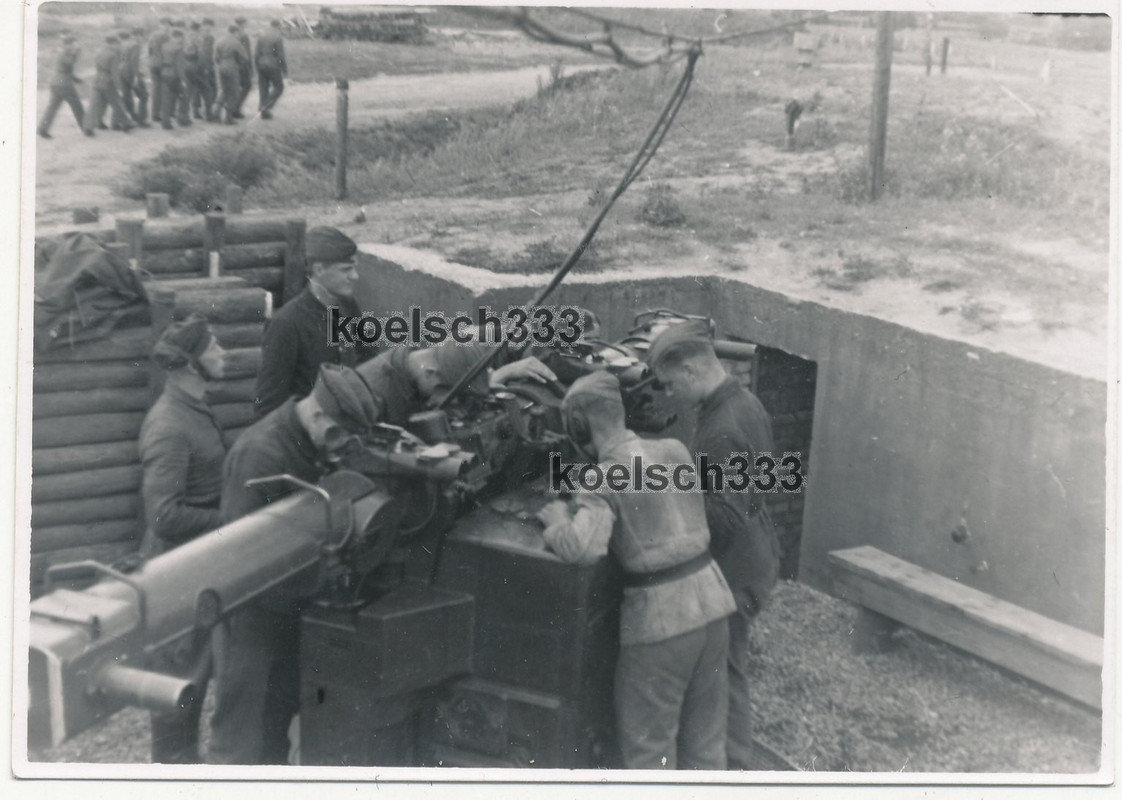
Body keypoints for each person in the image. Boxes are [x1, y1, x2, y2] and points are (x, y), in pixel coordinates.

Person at [537, 372, 736, 769]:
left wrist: (558, 520)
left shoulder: (602, 478)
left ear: (578, 424)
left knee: (650, 758)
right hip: (714, 611)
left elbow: (583, 548)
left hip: (662, 626)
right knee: (706, 749)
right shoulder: (675, 450)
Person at [207, 364, 380, 765]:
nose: (340, 449)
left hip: (287, 609)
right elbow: (238, 561)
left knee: (276, 723)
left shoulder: (308, 438)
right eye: (339, 436)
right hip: (248, 616)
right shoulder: (261, 455)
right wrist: (320, 577)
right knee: (237, 736)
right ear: (318, 415)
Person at [646, 324, 781, 771]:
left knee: (724, 672)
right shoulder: (744, 402)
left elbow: (723, 518)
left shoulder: (721, 429)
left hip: (734, 569)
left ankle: (734, 767)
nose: (669, 395)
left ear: (689, 369)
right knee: (728, 669)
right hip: (756, 554)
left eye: (669, 384)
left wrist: (671, 495)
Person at [137, 315, 228, 762]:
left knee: (192, 685)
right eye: (215, 348)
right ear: (193, 365)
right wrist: (228, 519)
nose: (224, 354)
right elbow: (163, 514)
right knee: (175, 700)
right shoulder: (169, 425)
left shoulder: (192, 407)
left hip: (195, 569)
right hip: (174, 577)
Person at [254, 227, 380, 418]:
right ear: (319, 270)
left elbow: (369, 358)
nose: (355, 276)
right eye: (346, 269)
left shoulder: (346, 306)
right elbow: (268, 406)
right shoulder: (287, 323)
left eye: (354, 268)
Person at [82, 35, 134, 137]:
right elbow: (115, 74)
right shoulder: (113, 55)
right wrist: (119, 88)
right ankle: (126, 123)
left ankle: (88, 128)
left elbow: (97, 67)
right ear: (112, 43)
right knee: (117, 103)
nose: (117, 46)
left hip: (97, 81)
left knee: (93, 106)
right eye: (116, 43)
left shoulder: (99, 52)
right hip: (108, 82)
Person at [37, 34, 84, 139]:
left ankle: (42, 129)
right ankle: (87, 129)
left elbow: (65, 69)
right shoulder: (65, 53)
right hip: (64, 85)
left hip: (56, 83)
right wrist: (76, 53)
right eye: (72, 44)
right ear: (67, 44)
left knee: (52, 107)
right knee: (77, 106)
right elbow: (70, 63)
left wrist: (76, 79)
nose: (74, 46)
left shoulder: (62, 52)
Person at [214, 24, 247, 125]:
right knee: (233, 92)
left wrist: (221, 63)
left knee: (223, 90)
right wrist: (239, 65)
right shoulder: (236, 42)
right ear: (235, 32)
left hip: (221, 66)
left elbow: (216, 57)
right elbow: (245, 58)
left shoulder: (219, 41)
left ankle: (216, 113)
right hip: (232, 67)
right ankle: (228, 118)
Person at [254, 19, 287, 119]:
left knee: (263, 88)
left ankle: (264, 112)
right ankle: (265, 106)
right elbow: (280, 56)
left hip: (261, 64)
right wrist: (284, 69)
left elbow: (256, 53)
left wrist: (257, 65)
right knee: (279, 87)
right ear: (278, 26)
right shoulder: (278, 37)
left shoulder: (261, 35)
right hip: (273, 65)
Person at [158, 26, 190, 129]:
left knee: (166, 99)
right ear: (179, 37)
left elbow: (159, 61)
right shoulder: (179, 49)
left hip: (164, 73)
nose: (182, 39)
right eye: (181, 37)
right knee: (184, 96)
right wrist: (184, 80)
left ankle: (165, 122)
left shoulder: (163, 46)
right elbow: (180, 66)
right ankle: (182, 119)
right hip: (175, 75)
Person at [118, 28, 150, 127]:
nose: (142, 38)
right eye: (141, 35)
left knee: (126, 96)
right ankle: (141, 120)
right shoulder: (135, 45)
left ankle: (128, 118)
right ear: (138, 35)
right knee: (143, 95)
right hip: (132, 72)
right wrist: (136, 76)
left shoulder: (123, 43)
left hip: (121, 70)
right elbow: (134, 62)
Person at [148, 17, 172, 124]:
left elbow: (149, 49)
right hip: (162, 64)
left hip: (152, 63)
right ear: (163, 24)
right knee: (164, 89)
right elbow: (167, 50)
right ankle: (162, 114)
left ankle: (154, 114)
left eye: (168, 25)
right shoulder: (166, 36)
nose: (168, 27)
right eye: (167, 24)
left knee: (155, 89)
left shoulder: (152, 35)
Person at [183, 21, 206, 121]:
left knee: (187, 89)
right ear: (198, 29)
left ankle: (184, 112)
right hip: (195, 64)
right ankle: (195, 111)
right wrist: (203, 67)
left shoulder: (185, 37)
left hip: (185, 63)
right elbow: (201, 54)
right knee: (197, 88)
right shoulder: (198, 38)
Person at [195, 18, 218, 122]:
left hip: (196, 65)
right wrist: (207, 67)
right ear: (203, 25)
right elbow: (206, 54)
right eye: (207, 25)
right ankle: (208, 114)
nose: (208, 27)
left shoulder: (197, 36)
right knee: (209, 89)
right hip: (205, 66)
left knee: (198, 89)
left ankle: (196, 111)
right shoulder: (209, 37)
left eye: (210, 25)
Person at [233, 16, 253, 117]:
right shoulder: (244, 36)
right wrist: (250, 67)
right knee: (247, 86)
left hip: (234, 64)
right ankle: (236, 109)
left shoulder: (233, 34)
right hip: (243, 65)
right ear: (243, 24)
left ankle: (234, 108)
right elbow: (247, 53)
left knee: (237, 87)